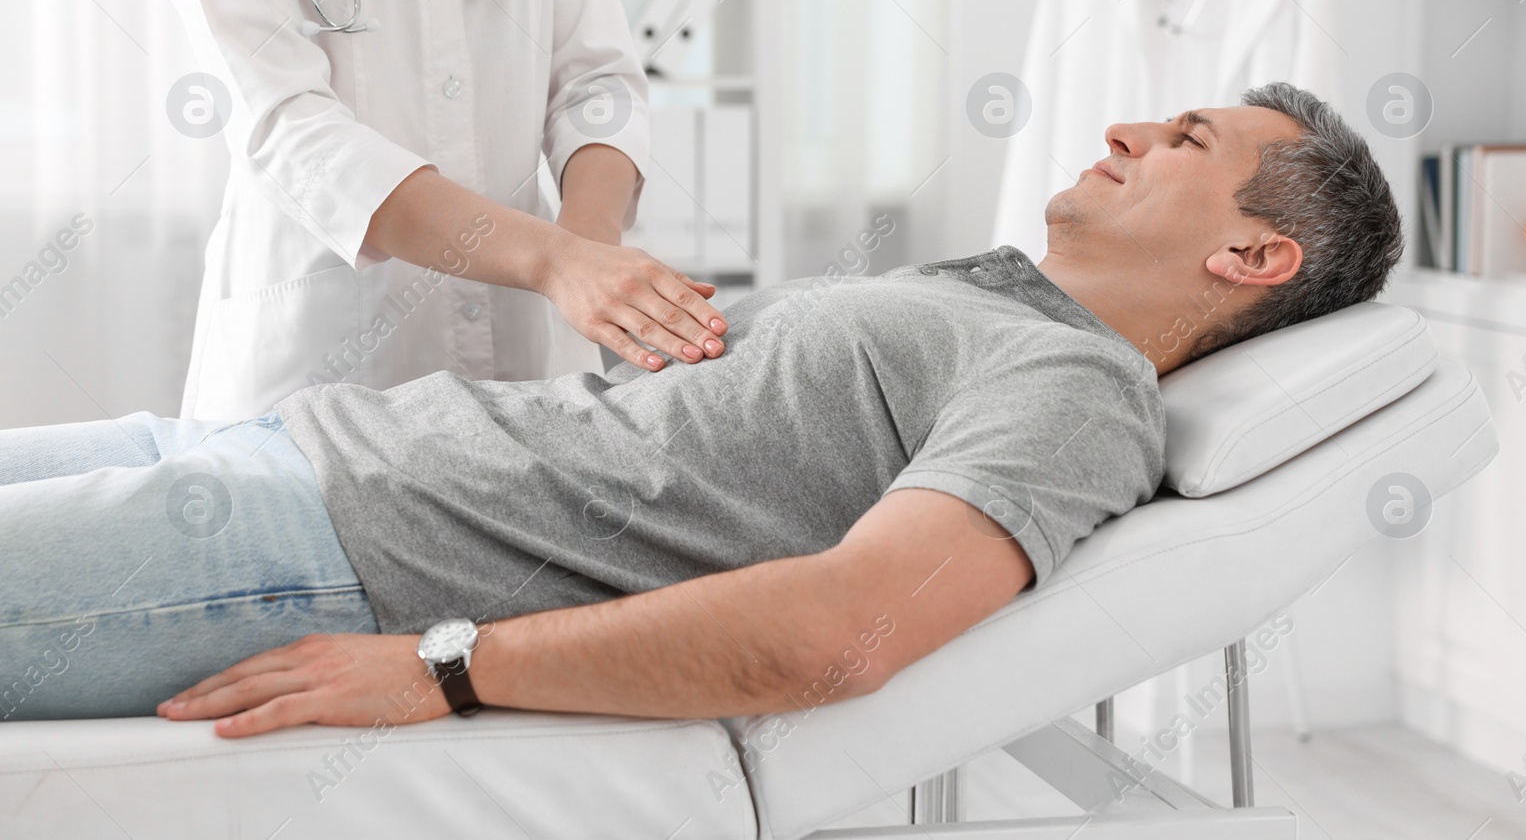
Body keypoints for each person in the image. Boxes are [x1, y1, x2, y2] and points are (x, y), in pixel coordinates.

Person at [0, 83, 1402, 734]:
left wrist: (443, 664)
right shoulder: (997, 300)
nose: (1127, 130)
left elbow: (842, 629)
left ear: (1254, 256)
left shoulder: (1077, 386)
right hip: (276, 450)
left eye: (1184, 142)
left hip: (330, 546)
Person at [135, 0, 726, 423]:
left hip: (530, 363)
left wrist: (590, 247)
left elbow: (596, 75)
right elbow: (286, 125)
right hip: (330, 375)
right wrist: (554, 261)